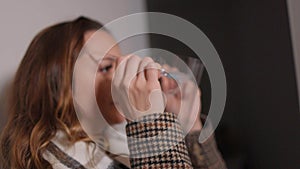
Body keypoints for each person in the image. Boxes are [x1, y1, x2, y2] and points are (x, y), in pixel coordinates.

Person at [0, 16, 227, 169]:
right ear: (57, 85)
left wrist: (191, 127)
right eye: (107, 67)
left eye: (122, 64)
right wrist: (150, 122)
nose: (121, 78)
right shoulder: (53, 161)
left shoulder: (110, 149)